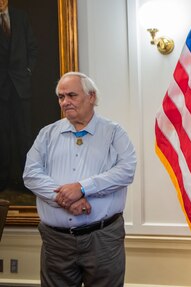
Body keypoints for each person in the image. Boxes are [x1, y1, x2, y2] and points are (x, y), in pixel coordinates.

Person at [23, 72, 137, 287]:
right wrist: (65, 198)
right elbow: (31, 174)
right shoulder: (47, 134)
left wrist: (83, 188)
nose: (65, 102)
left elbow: (126, 170)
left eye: (72, 95)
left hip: (103, 239)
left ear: (91, 96)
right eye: (60, 97)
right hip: (56, 242)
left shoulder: (114, 133)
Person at [0, 0, 38, 191]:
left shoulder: (21, 16)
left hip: (20, 86)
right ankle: (3, 180)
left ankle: (27, 180)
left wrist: (28, 71)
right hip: (1, 88)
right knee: (2, 136)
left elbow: (32, 47)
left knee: (24, 134)